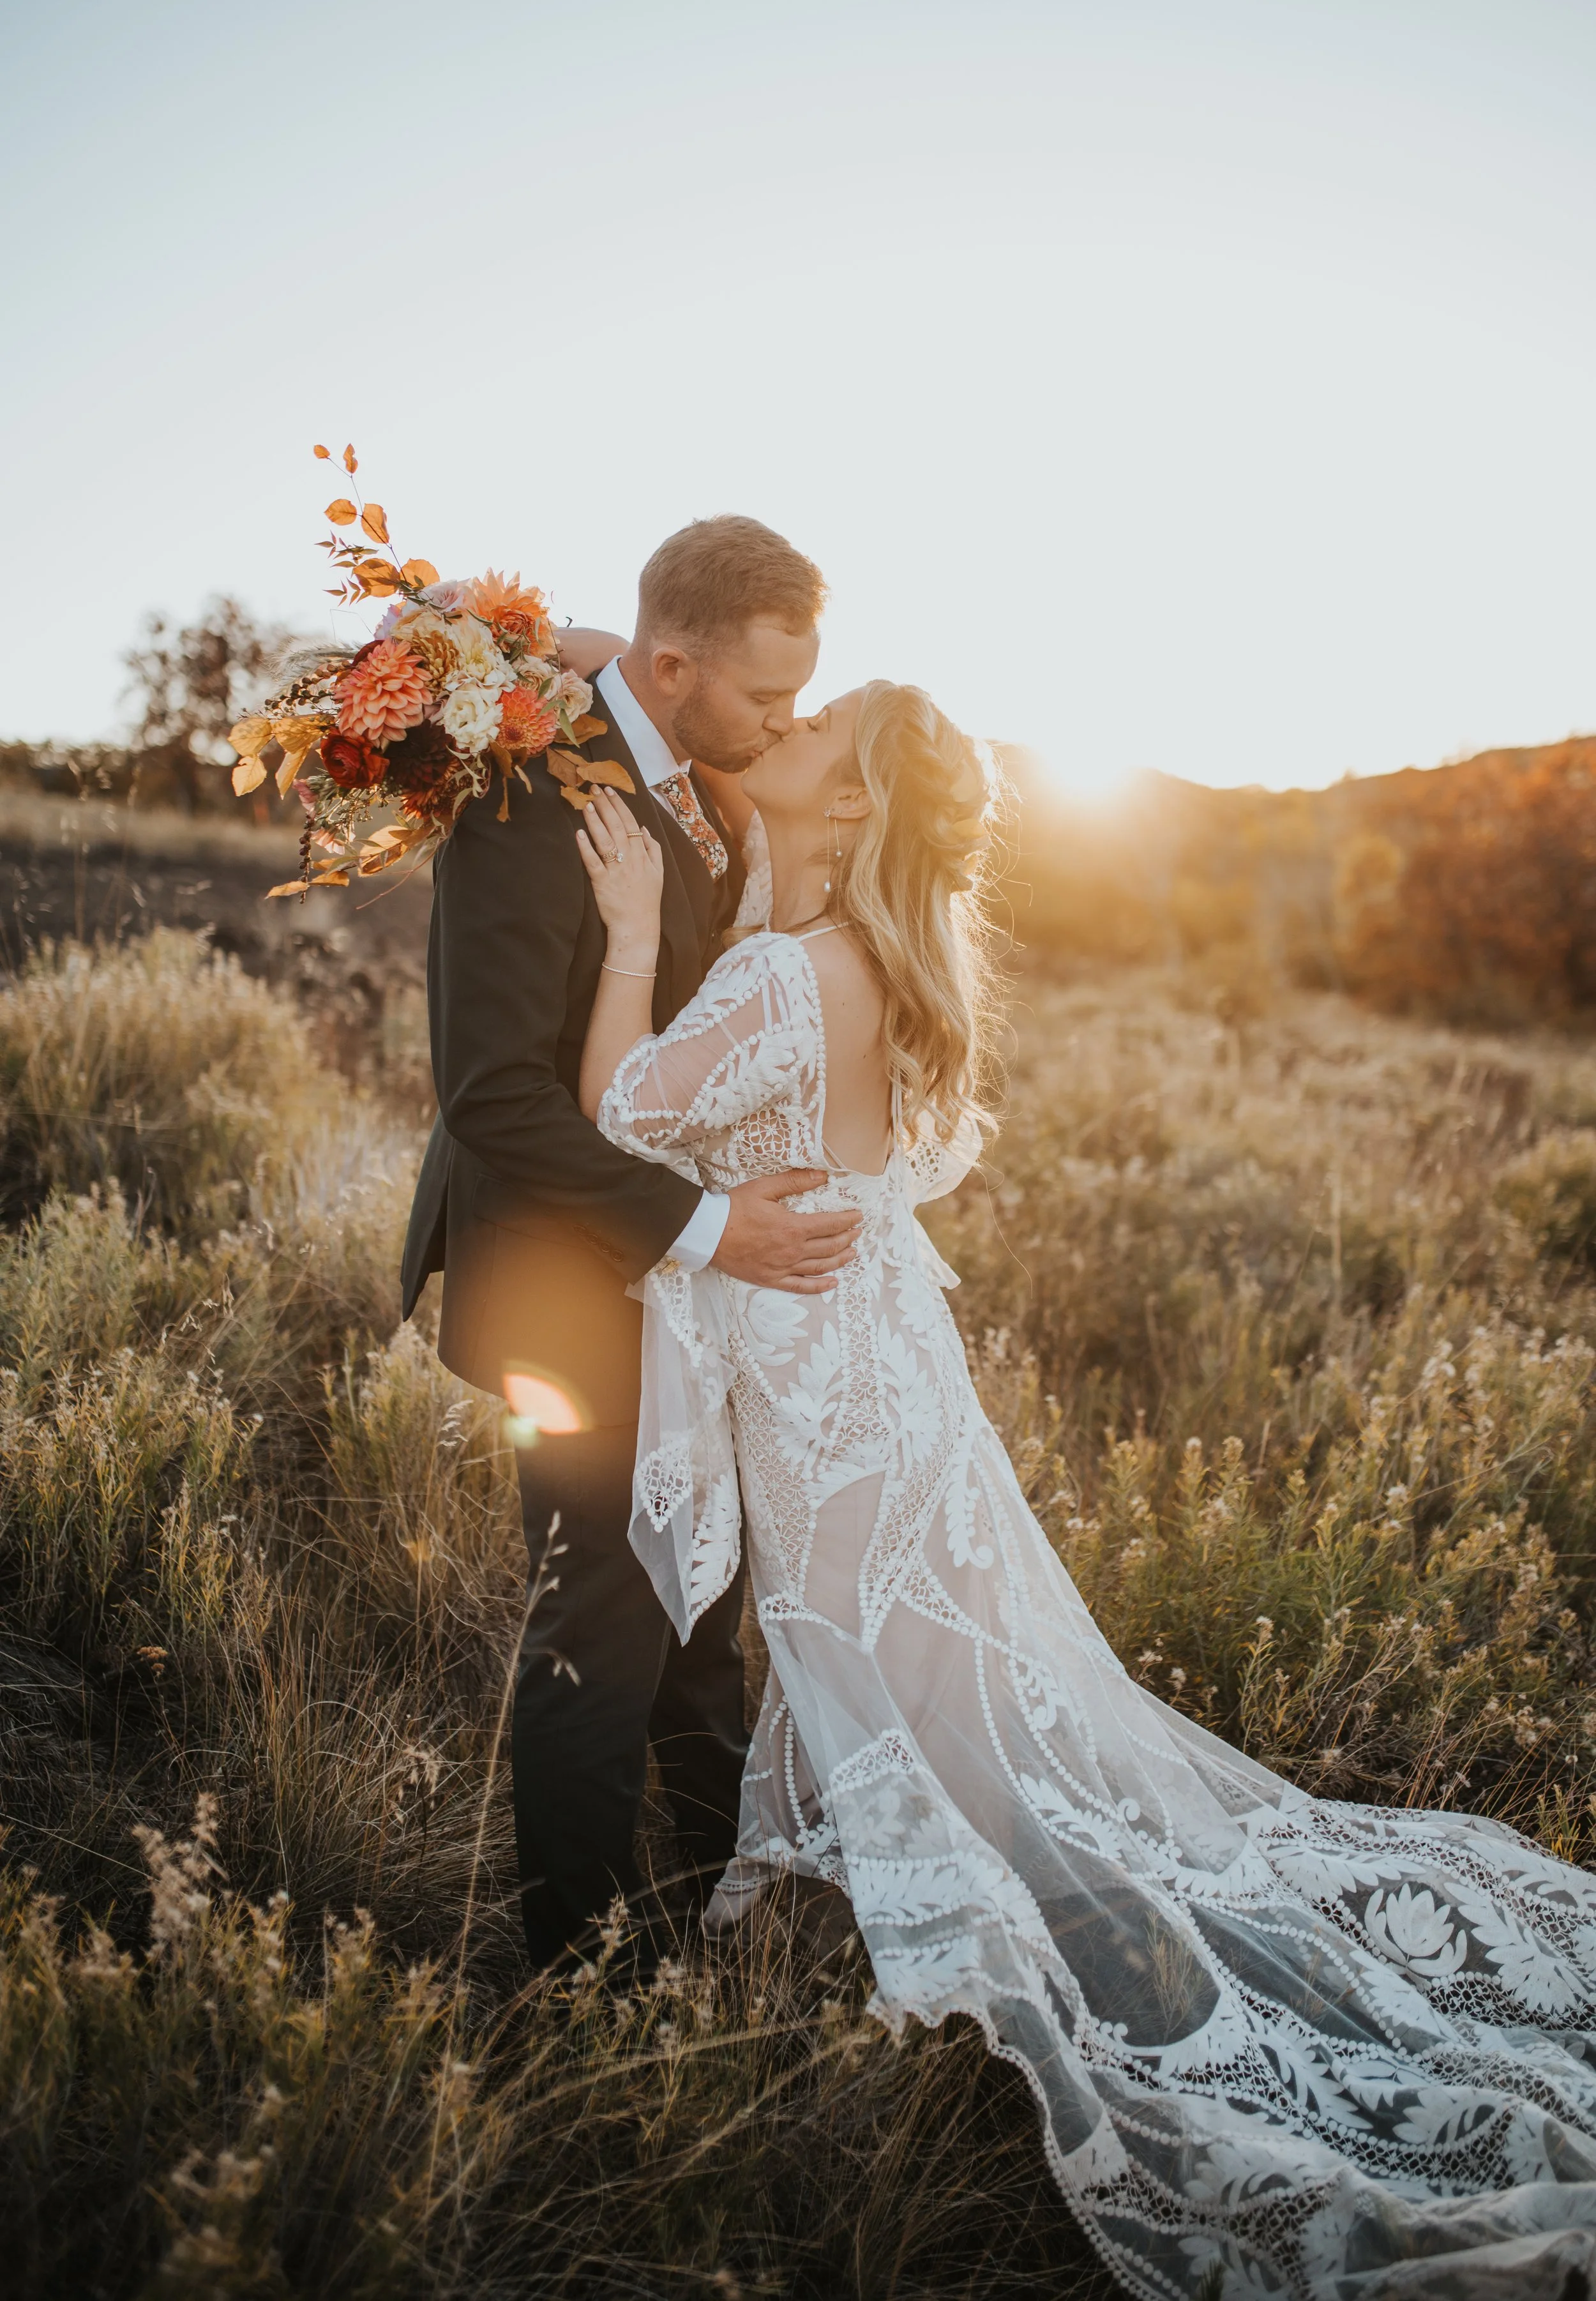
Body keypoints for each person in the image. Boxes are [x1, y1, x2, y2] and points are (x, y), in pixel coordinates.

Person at [573, 683, 1596, 2301]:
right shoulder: (886, 962)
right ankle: (942, 1921)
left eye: (810, 736)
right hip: (878, 1345)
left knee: (859, 1656)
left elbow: (624, 1110)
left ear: (848, 809)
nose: (778, 735)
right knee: (927, 1656)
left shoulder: (779, 965)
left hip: (826, 1370)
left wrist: (631, 932)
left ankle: (975, 1966)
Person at [400, 516, 864, 1971]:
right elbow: (491, 1096)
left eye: (799, 699)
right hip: (570, 1289)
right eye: (766, 698)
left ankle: (724, 1894)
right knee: (597, 1626)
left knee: (702, 1603)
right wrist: (709, 1227)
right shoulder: (527, 805)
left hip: (688, 1300)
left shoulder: (691, 767)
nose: (785, 722)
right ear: (672, 668)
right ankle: (581, 1981)